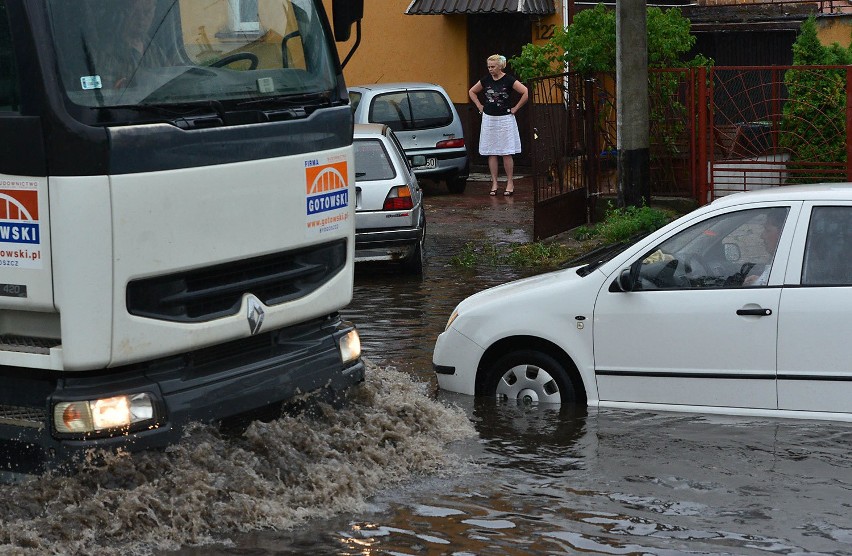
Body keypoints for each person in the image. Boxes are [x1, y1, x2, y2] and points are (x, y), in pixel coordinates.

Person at [469, 54, 529, 196]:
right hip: (489, 118)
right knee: (492, 151)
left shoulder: (509, 80)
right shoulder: (486, 80)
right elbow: (472, 91)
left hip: (505, 118)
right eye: (489, 66)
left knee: (506, 151)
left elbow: (525, 92)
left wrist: (516, 108)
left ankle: (509, 182)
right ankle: (494, 182)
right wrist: (479, 105)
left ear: (500, 66)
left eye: (493, 66)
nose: (490, 69)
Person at [743, 209, 786, 286]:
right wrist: (758, 280)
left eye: (767, 230)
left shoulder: (787, 264)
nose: (762, 236)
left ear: (782, 233)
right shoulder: (783, 262)